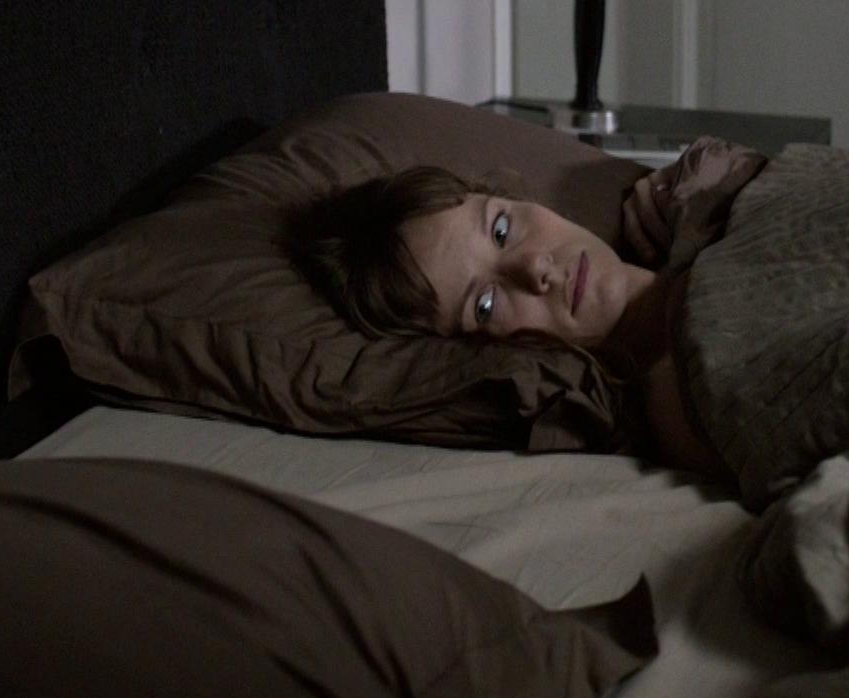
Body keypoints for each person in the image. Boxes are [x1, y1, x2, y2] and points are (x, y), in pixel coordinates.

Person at [289, 137, 767, 475]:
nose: (535, 267)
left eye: (501, 229)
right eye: (485, 303)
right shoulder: (678, 395)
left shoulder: (707, 196)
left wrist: (712, 186)